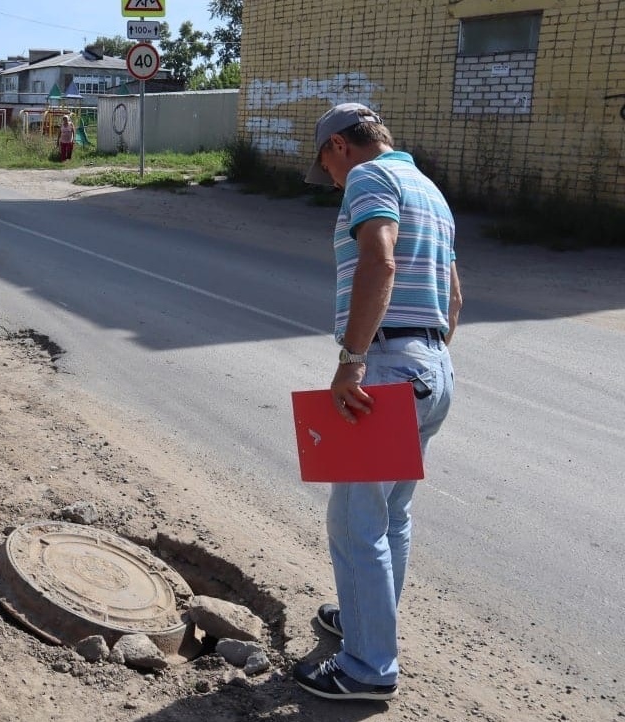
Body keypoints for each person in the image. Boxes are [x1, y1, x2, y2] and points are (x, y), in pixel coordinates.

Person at [292, 103, 462, 701]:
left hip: (388, 367)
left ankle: (367, 668)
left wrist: (354, 359)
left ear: (339, 145)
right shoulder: (428, 189)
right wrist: (426, 358)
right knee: (391, 514)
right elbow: (454, 295)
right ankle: (367, 618)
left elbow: (379, 260)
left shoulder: (370, 177)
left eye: (326, 168)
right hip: (432, 365)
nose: (332, 183)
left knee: (354, 522)